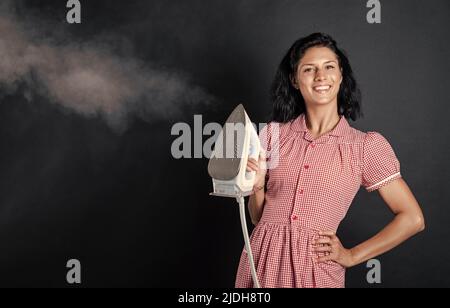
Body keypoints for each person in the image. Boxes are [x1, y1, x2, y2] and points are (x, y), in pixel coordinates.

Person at [235, 33, 425, 288]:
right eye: (309, 69)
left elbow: (413, 218)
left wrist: (351, 255)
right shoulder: (271, 135)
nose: (320, 76)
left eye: (328, 67)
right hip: (261, 261)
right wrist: (257, 187)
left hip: (315, 271)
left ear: (341, 74)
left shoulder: (365, 146)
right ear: (294, 79)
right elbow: (259, 220)